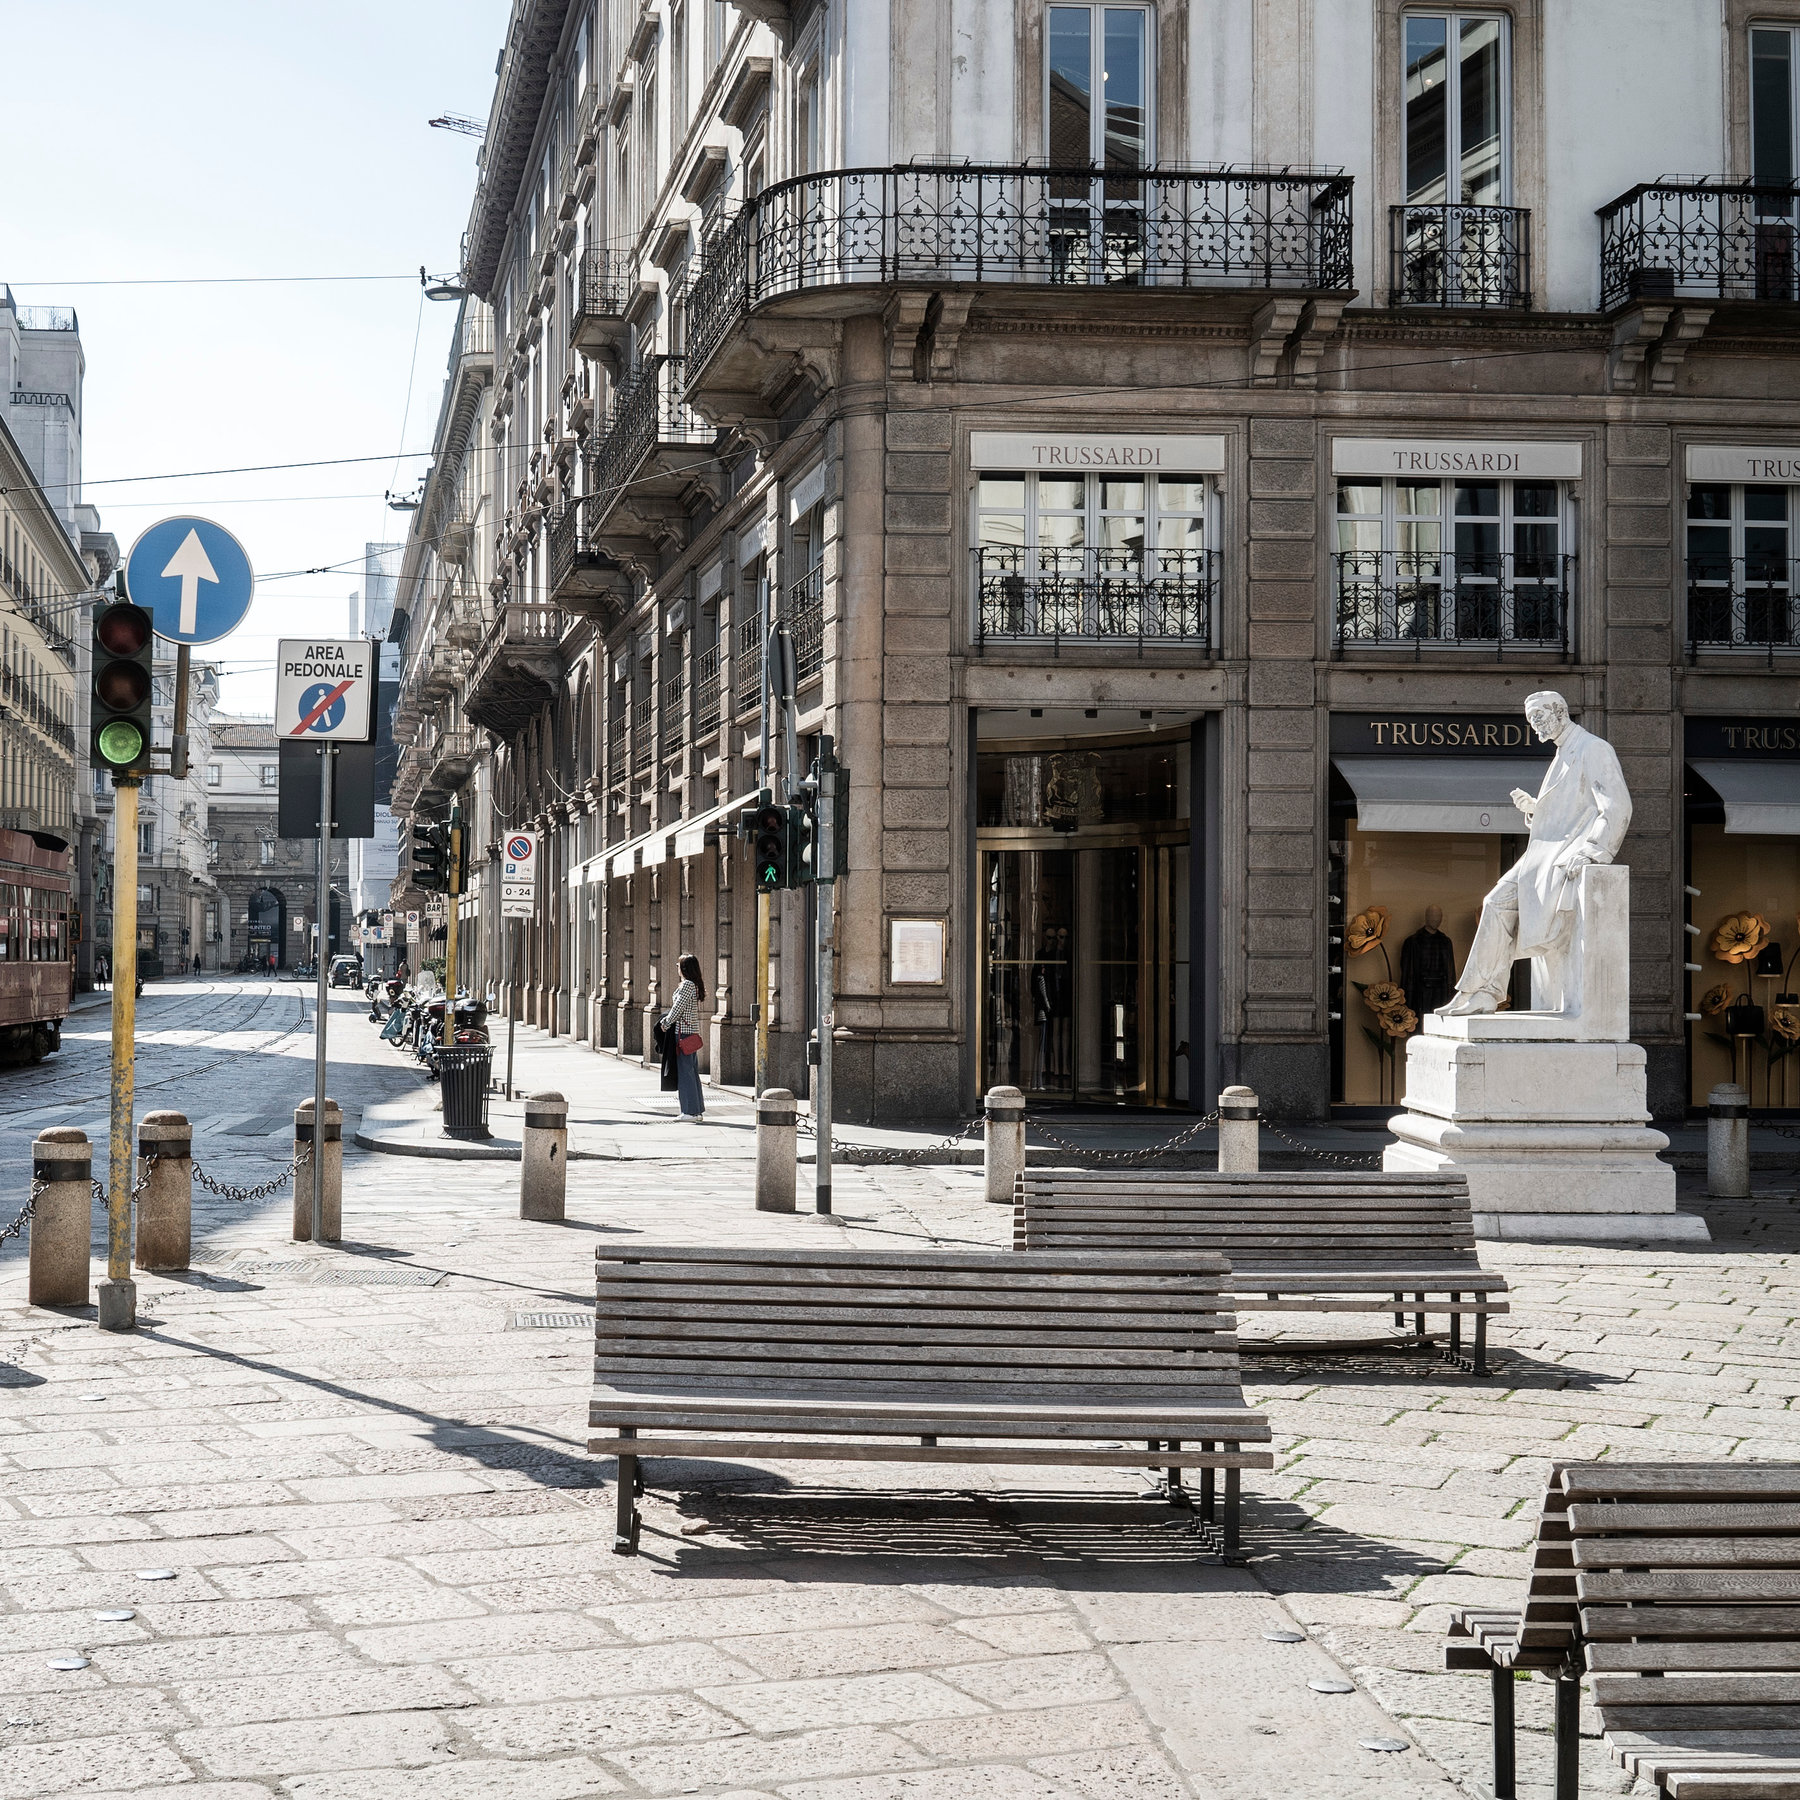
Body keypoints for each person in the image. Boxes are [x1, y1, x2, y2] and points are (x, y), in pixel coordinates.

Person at [1439, 691, 1632, 1017]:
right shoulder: (1562, 754)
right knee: (1495, 902)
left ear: (1560, 712)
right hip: (1544, 854)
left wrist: (1593, 851)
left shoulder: (1594, 748)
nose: (1536, 727)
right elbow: (1568, 807)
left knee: (1497, 903)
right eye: (1531, 721)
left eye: (1539, 719)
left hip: (1564, 854)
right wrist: (1535, 809)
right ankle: (1482, 991)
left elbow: (1617, 805)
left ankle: (1482, 992)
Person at [661, 953, 707, 1123]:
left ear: (684, 968)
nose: (677, 968)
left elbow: (677, 1008)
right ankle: (696, 1111)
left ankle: (689, 1111)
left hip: (683, 1034)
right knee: (691, 1072)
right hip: (690, 1033)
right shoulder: (693, 984)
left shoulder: (687, 985)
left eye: (678, 965)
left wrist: (666, 1023)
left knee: (686, 1073)